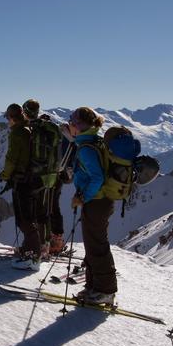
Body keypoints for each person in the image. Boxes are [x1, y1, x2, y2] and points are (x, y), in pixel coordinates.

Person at [67, 107, 117, 305]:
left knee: (97, 246)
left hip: (96, 201)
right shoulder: (94, 141)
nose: (70, 123)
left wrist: (84, 197)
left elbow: (97, 177)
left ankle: (105, 290)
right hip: (101, 201)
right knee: (93, 244)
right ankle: (93, 286)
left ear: (80, 124)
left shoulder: (87, 148)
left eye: (72, 120)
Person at [22, 99, 72, 257]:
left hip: (42, 174)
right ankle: (56, 241)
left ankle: (42, 244)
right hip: (58, 174)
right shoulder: (58, 132)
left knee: (41, 209)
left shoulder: (35, 130)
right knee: (53, 207)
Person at [0, 103, 45, 271]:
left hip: (23, 180)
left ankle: (33, 257)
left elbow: (12, 158)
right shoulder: (29, 129)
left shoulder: (18, 133)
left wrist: (5, 175)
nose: (7, 121)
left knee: (25, 219)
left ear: (11, 118)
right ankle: (28, 250)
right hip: (33, 179)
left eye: (7, 118)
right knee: (28, 217)